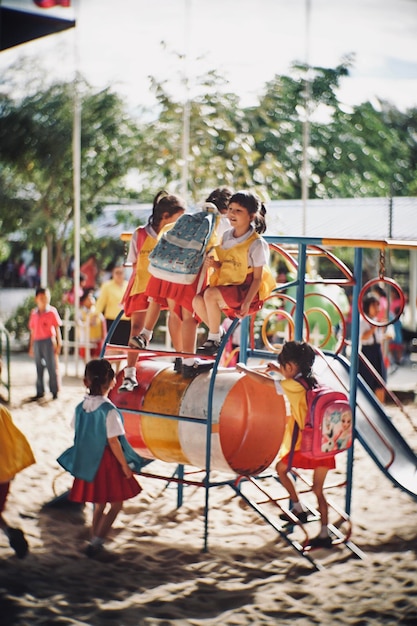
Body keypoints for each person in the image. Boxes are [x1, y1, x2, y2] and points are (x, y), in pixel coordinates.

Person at [236, 340, 334, 549]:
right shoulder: (313, 380)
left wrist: (244, 369)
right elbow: (293, 382)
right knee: (319, 490)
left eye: (284, 367)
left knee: (281, 470)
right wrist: (277, 370)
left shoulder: (292, 385)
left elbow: (266, 383)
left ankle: (298, 507)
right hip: (325, 443)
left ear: (290, 367)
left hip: (305, 444)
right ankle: (325, 533)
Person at [140, 187, 233, 379]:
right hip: (192, 272)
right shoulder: (220, 222)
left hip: (173, 270)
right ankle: (189, 364)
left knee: (174, 316)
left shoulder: (195, 216)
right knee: (189, 317)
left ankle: (180, 357)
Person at [57, 358, 143, 558]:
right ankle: (97, 542)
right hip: (106, 461)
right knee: (116, 504)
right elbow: (114, 442)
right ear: (112, 382)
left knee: (100, 503)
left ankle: (94, 537)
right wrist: (124, 466)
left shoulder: (80, 407)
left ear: (85, 381)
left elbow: (76, 429)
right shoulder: (108, 410)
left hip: (88, 460)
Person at [193, 190, 276, 356]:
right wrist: (216, 264)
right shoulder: (226, 236)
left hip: (245, 290)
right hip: (228, 284)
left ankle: (214, 338)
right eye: (230, 209)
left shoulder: (256, 244)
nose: (232, 214)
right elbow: (227, 263)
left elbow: (257, 279)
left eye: (238, 211)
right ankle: (219, 335)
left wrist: (246, 303)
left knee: (210, 295)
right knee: (196, 301)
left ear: (251, 216)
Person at [119, 190, 186, 392]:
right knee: (136, 329)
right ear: (165, 217)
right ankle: (130, 373)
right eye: (178, 219)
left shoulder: (175, 235)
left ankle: (182, 358)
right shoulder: (140, 234)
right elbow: (133, 262)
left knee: (176, 317)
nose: (180, 223)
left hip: (167, 284)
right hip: (142, 285)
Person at [0, 404, 35, 558]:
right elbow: (14, 444)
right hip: (5, 474)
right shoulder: (2, 412)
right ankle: (10, 533)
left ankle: (10, 533)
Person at [28, 287, 62, 401]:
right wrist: (31, 346)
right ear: (36, 299)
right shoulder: (34, 313)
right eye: (41, 298)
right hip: (37, 342)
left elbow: (57, 328)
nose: (44, 300)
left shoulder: (52, 311)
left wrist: (59, 342)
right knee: (39, 367)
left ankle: (54, 390)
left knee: (51, 367)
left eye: (46, 297)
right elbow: (32, 331)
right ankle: (40, 391)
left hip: (48, 341)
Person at [359, 293, 390, 403]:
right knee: (367, 380)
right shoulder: (363, 321)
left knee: (380, 381)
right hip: (367, 352)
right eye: (374, 306)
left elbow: (378, 337)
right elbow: (363, 337)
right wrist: (374, 327)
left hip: (377, 351)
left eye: (378, 305)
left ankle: (381, 406)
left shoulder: (376, 320)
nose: (377, 309)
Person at [95, 265, 130, 347]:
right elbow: (101, 301)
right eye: (116, 273)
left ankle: (118, 360)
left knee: (124, 346)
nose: (119, 275)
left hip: (126, 320)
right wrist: (96, 315)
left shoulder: (127, 285)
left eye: (121, 273)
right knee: (113, 345)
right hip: (112, 320)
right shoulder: (107, 286)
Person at [77, 288, 107, 360]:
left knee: (96, 358)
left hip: (97, 339)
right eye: (88, 298)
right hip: (85, 339)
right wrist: (86, 324)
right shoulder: (81, 312)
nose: (91, 299)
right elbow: (78, 323)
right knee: (86, 358)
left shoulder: (97, 311)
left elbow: (103, 324)